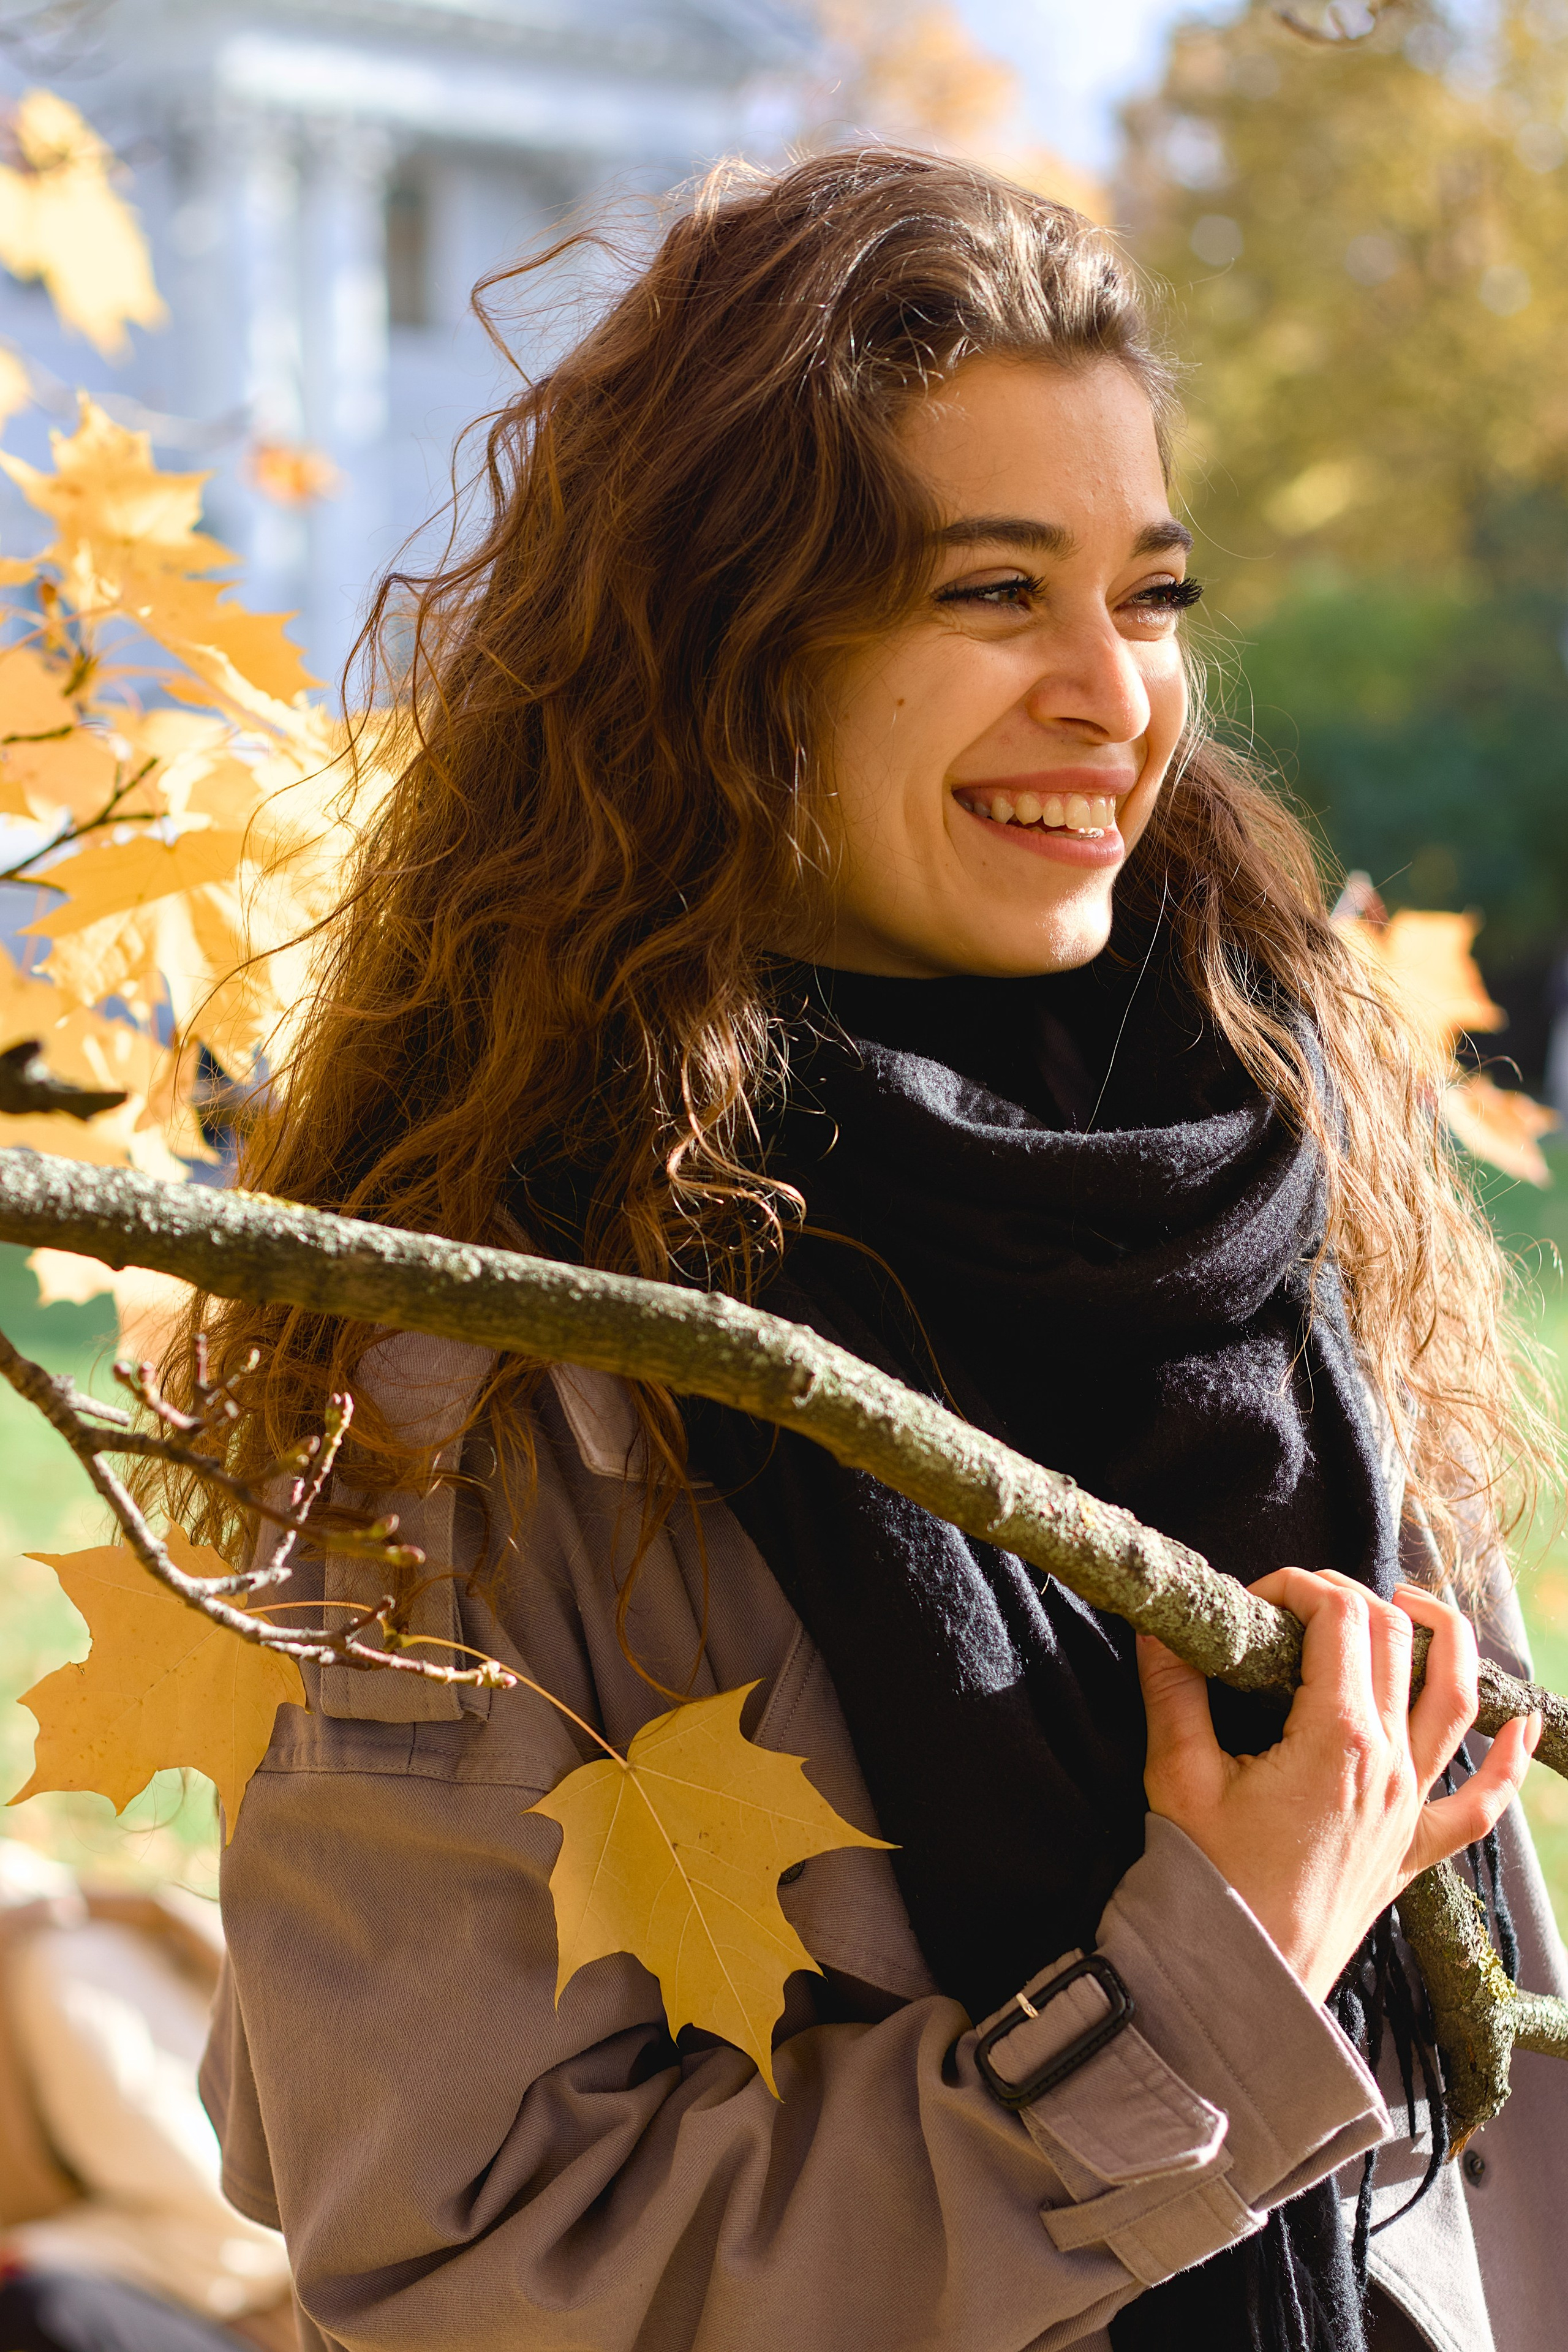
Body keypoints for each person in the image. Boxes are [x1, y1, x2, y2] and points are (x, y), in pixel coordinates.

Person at [173, 151, 1568, 2352]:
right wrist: (1198, 1988)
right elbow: (456, 2271)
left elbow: (1482, 2086)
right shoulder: (497, 1359)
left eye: (1146, 593)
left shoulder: (1285, 1171)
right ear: (727, 637)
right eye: (987, 592)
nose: (1110, 695)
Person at [0, 1838, 295, 2351]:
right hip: (164, 2282)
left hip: (261, 2314)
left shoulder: (67, 1976)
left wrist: (26, 2253)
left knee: (37, 2310)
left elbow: (238, 2245)